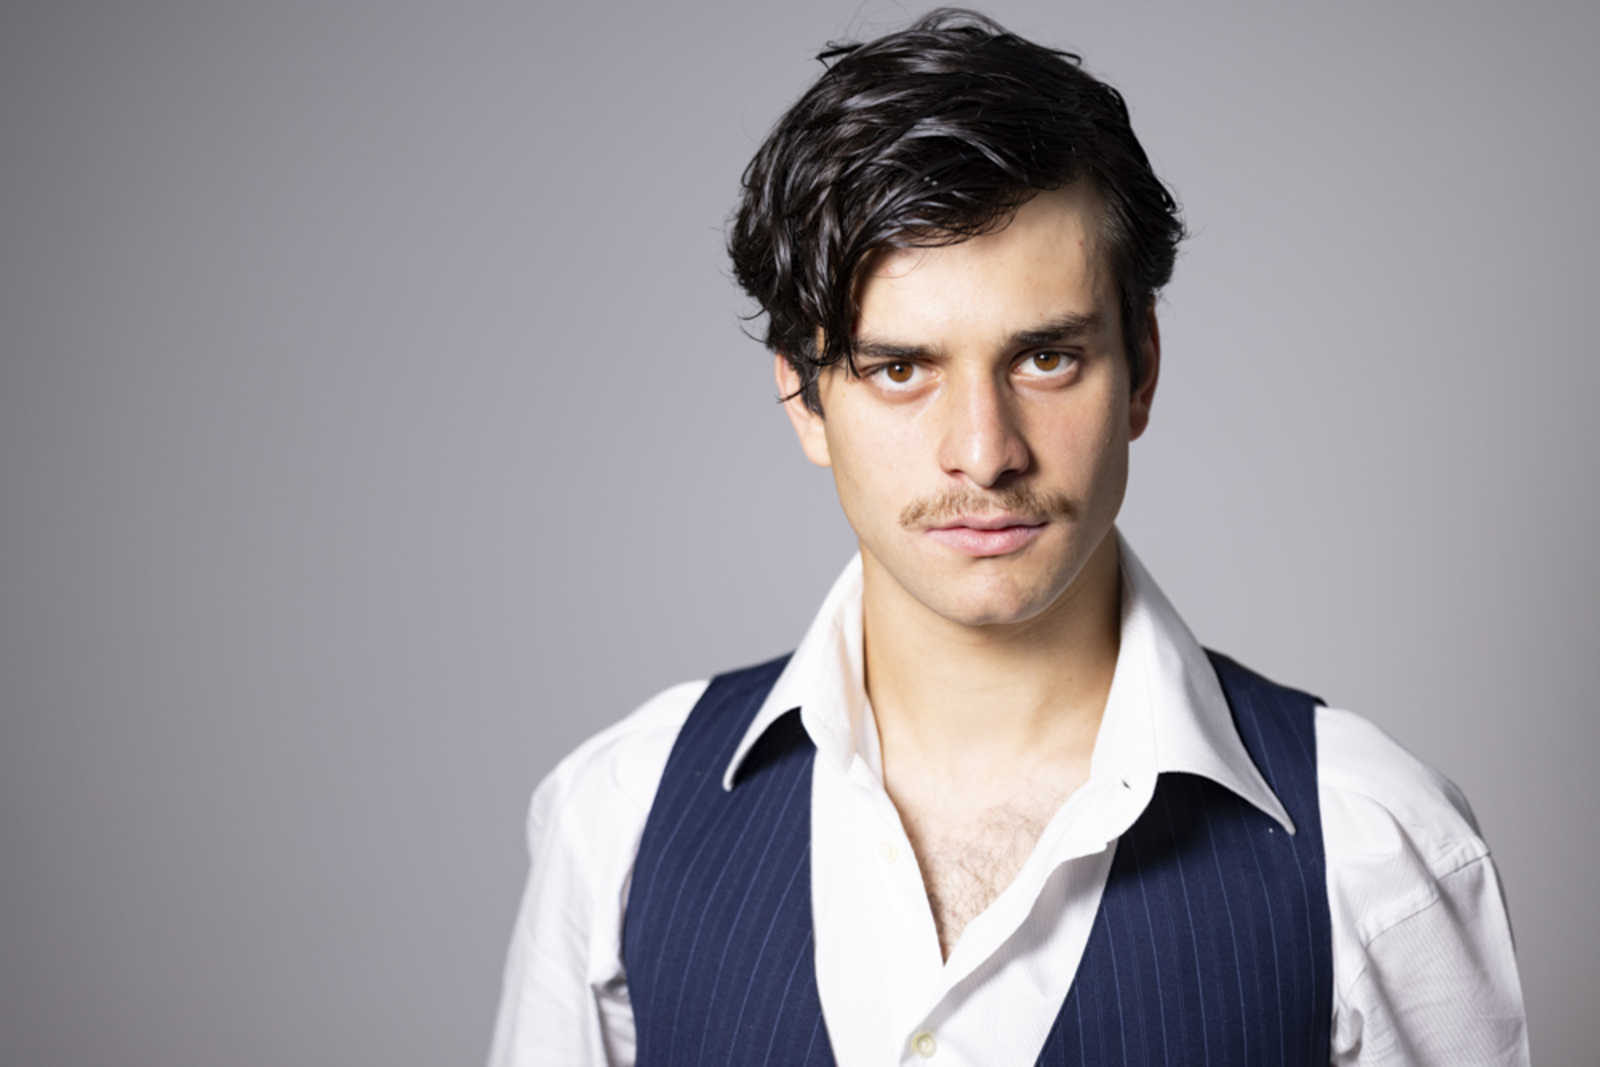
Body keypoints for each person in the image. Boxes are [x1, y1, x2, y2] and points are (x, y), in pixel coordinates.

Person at [487, 9, 1529, 1065]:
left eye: (1045, 358)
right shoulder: (618, 817)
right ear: (803, 397)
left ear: (1142, 368)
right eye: (901, 368)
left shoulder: (1375, 847)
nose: (984, 454)